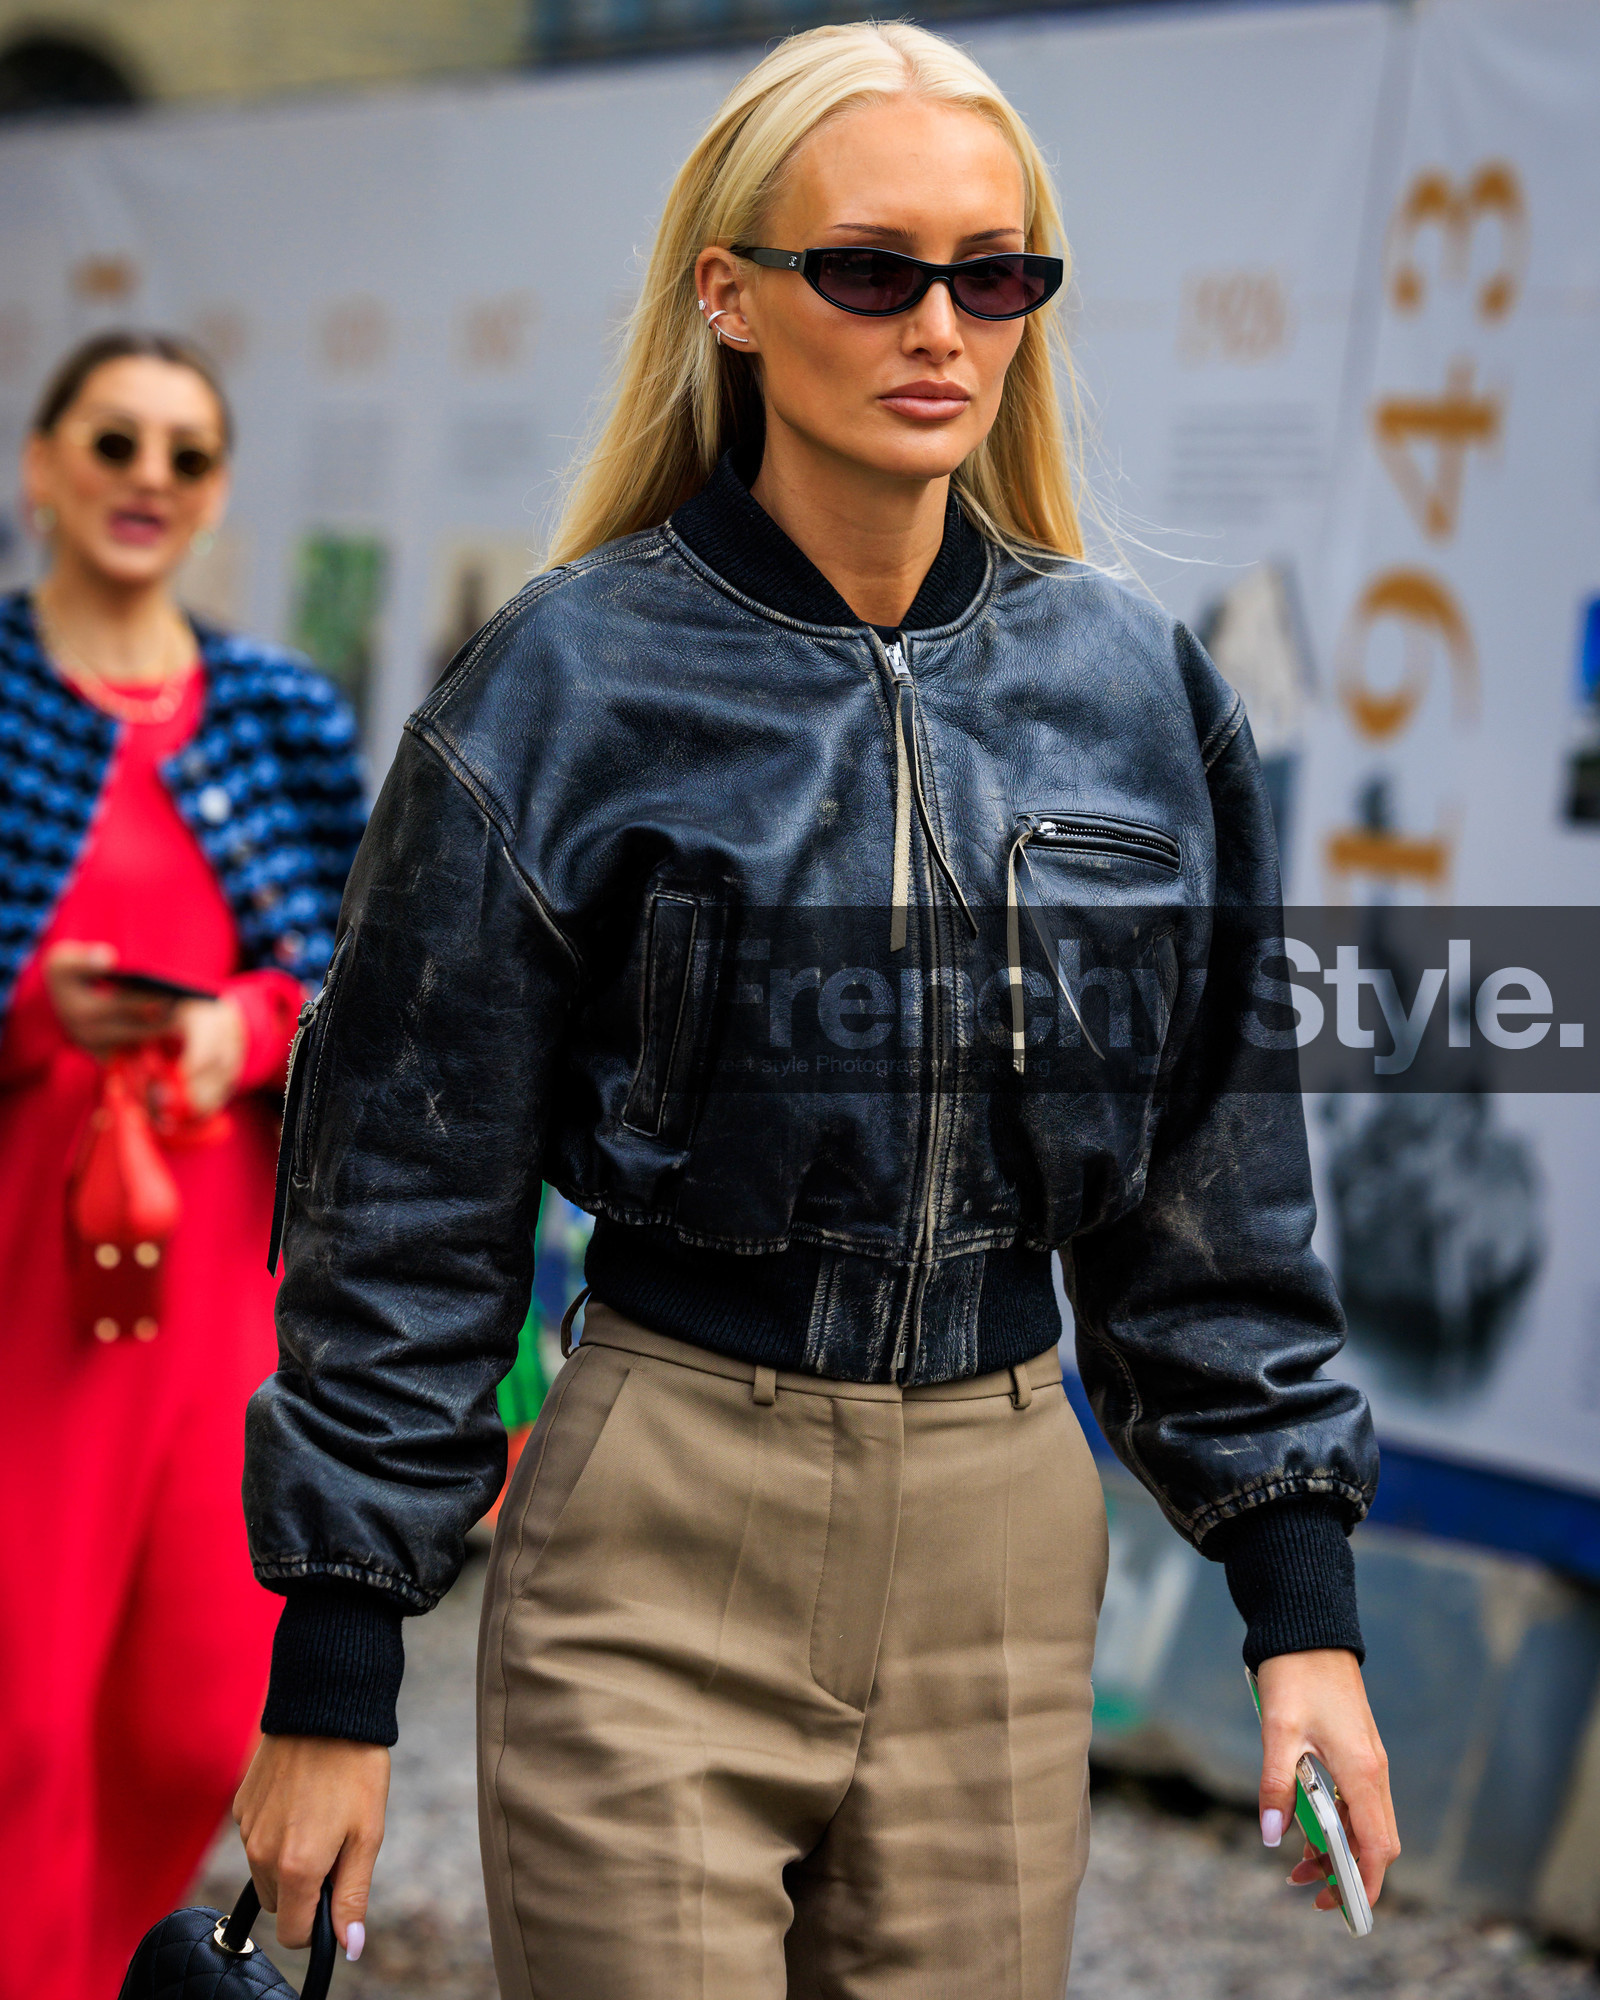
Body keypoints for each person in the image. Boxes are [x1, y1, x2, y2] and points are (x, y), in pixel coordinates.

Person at [236, 23, 1399, 1998]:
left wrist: (1300, 1613)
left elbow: (1215, 1201)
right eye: (869, 267)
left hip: (1005, 1545)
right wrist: (339, 1665)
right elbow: (407, 1205)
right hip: (659, 1515)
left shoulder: (1134, 697)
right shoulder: (562, 685)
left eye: (993, 272)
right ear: (732, 295)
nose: (938, 322)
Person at [0, 330, 364, 2000]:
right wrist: (29, 1012)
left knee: (184, 1724)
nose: (149, 479)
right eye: (116, 442)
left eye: (188, 456)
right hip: (22, 1285)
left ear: (217, 498)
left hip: (219, 1284)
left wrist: (254, 1022)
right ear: (44, 465)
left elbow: (368, 990)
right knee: (12, 1722)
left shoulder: (284, 714)